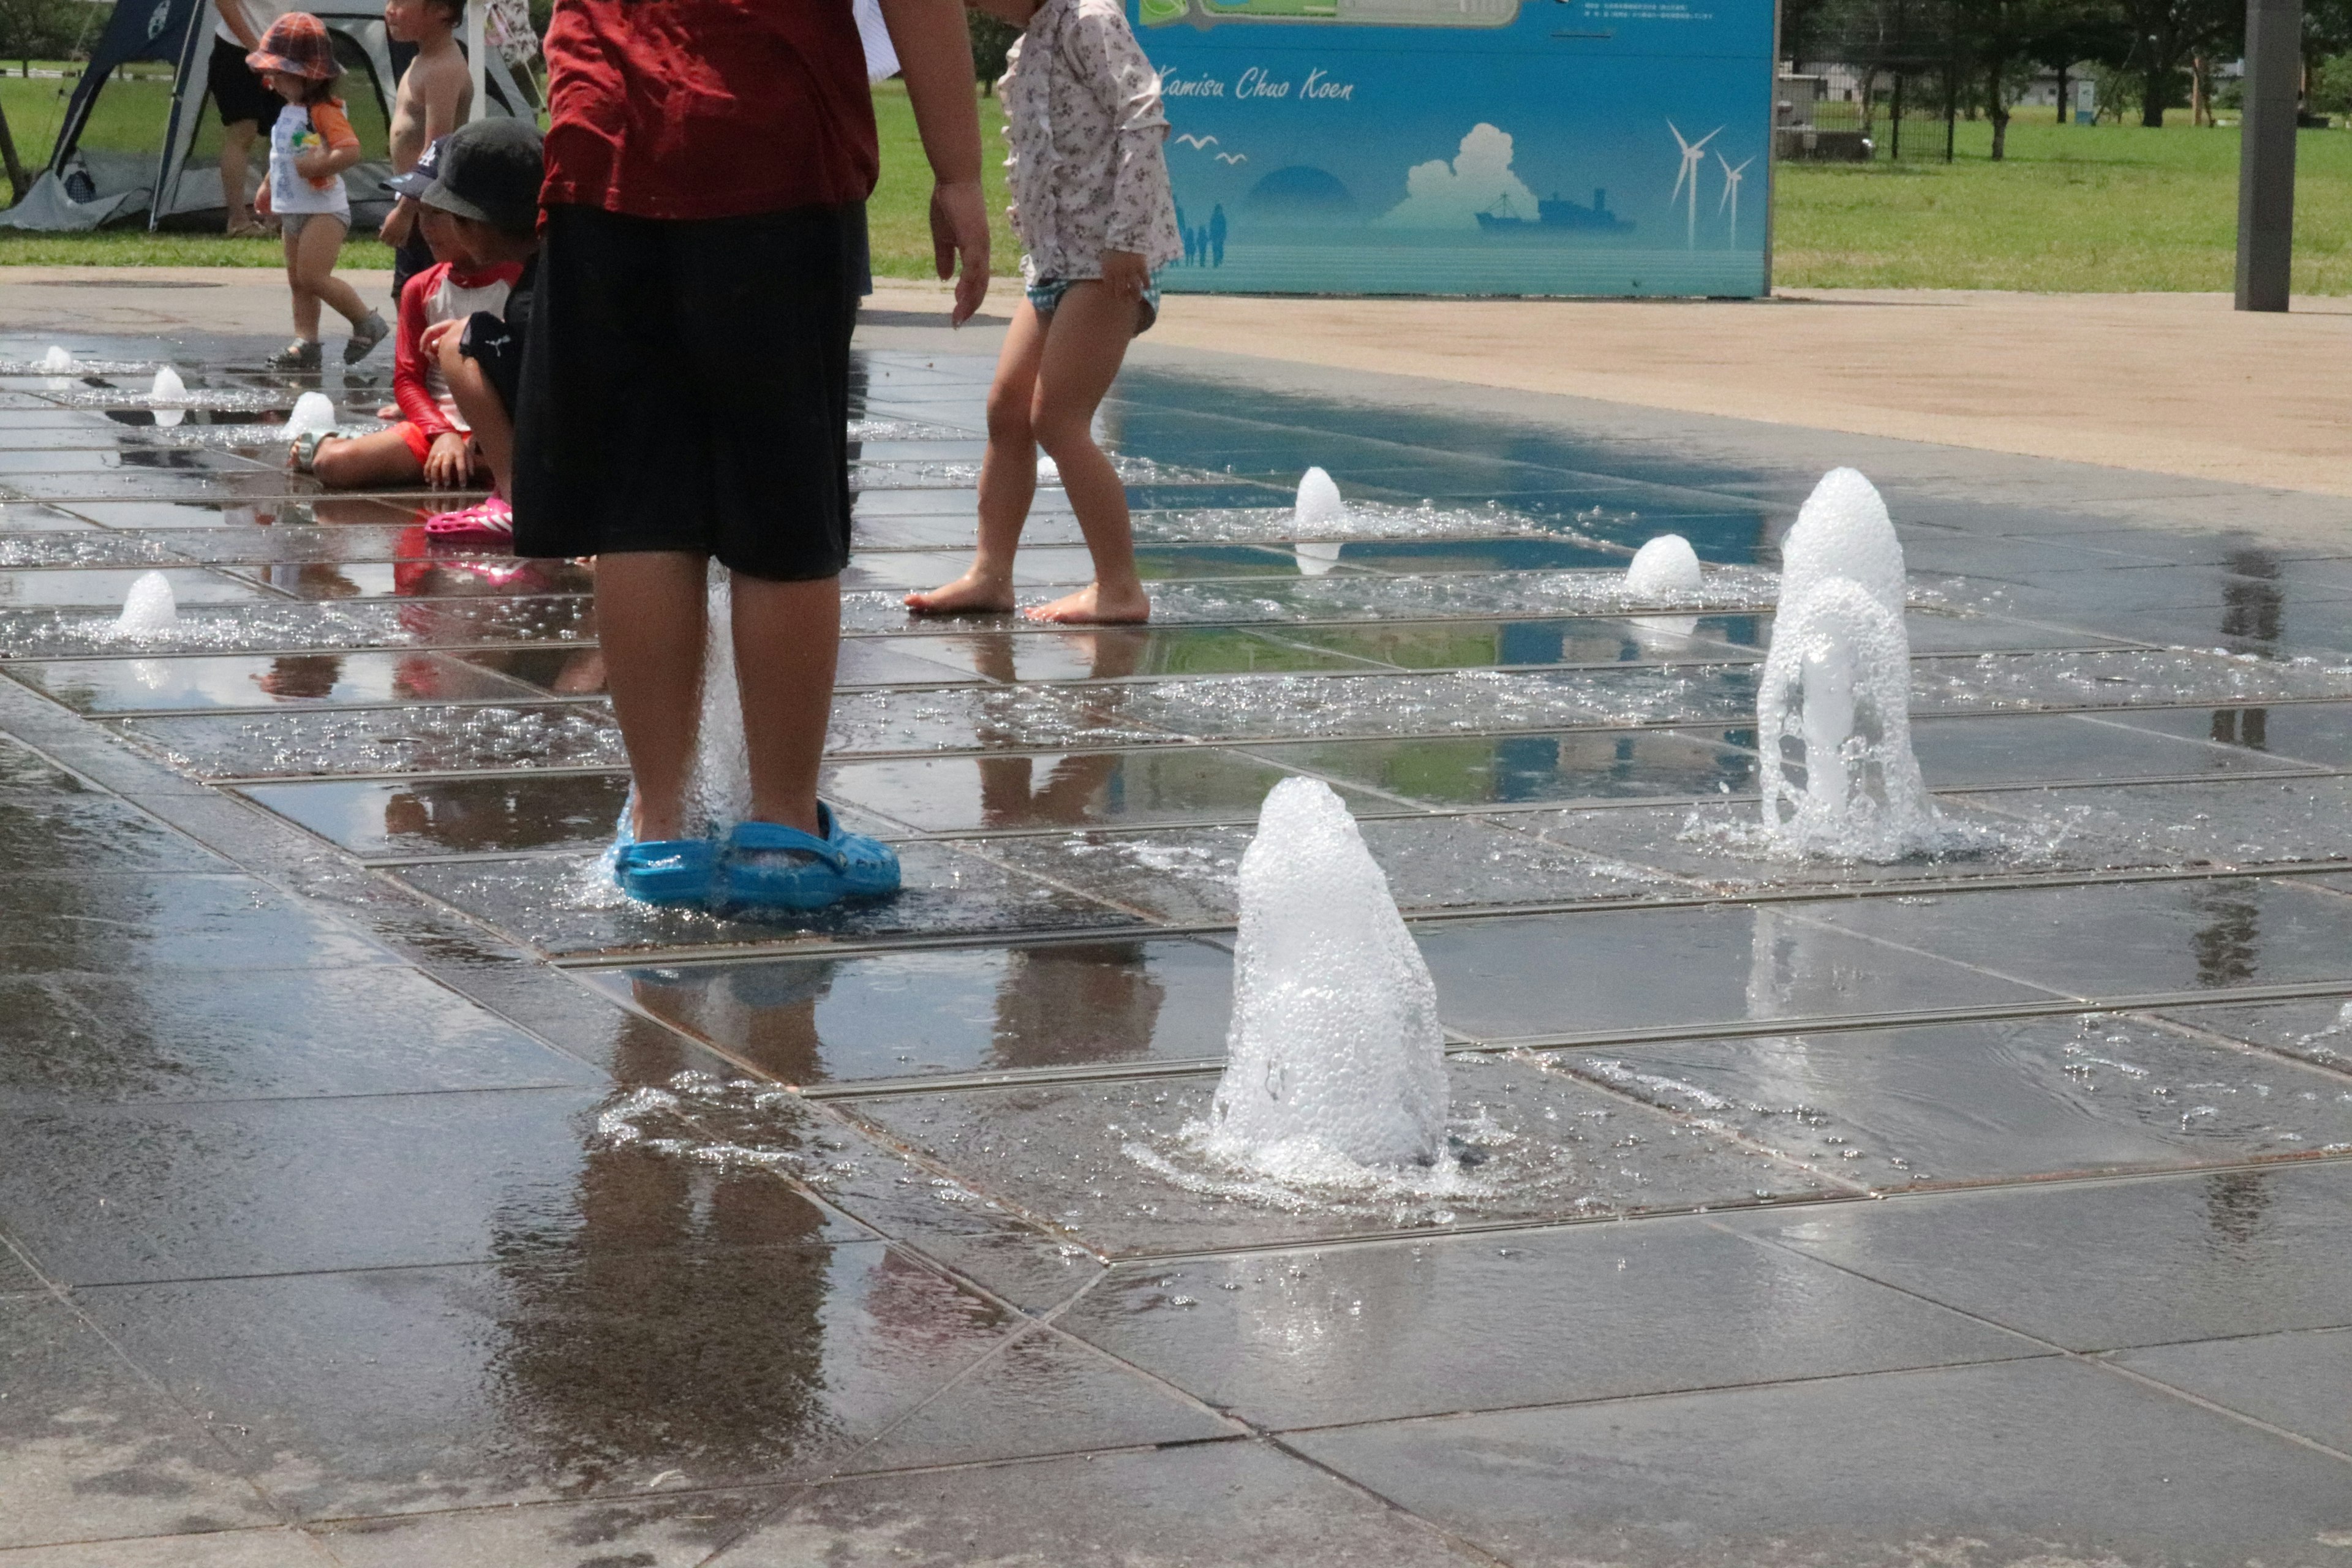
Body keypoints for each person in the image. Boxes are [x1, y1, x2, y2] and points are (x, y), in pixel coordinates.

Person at [511, 0, 990, 912]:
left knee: (638, 505)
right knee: (784, 502)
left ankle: (664, 832)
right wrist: (957, 172)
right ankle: (782, 833)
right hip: (771, 135)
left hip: (608, 131)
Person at [903, 0, 1181, 627]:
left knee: (1058, 420)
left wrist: (1128, 237)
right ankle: (990, 574)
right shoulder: (1027, 48)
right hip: (1056, 266)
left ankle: (1120, 586)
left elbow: (1142, 119)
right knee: (1007, 410)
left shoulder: (1090, 18)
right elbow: (1034, 162)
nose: (975, 6)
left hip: (1109, 263)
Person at [295, 137, 521, 492]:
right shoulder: (421, 288)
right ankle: (323, 441)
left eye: (439, 215)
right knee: (334, 466)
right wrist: (441, 432)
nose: (426, 228)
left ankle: (475, 464)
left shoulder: (521, 282)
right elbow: (408, 379)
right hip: (440, 426)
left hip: (502, 427)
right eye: (421, 213)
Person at [408, 116, 546, 541]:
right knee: (466, 333)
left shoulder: (532, 292)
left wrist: (473, 334)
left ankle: (516, 500)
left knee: (457, 344)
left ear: (473, 225)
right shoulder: (557, 264)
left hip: (571, 443)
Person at [249, 14, 393, 372]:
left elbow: (350, 150)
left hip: (324, 210)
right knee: (298, 281)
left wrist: (319, 166)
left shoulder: (324, 112)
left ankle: (366, 322)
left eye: (281, 73)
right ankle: (305, 341)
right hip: (293, 209)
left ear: (309, 75)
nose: (273, 80)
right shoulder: (290, 111)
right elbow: (284, 157)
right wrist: (268, 185)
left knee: (314, 277)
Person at [379, 0, 473, 308]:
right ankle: (413, 354)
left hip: (430, 205)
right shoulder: (423, 59)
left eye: (400, 2)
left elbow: (436, 148)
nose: (390, 10)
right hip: (417, 198)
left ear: (442, 11)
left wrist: (406, 213)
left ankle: (427, 354)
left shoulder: (444, 68)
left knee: (421, 296)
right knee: (406, 293)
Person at [208, 0, 285, 236]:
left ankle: (278, 217)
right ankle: (238, 221)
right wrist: (255, 48)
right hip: (236, 50)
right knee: (243, 131)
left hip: (278, 51)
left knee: (284, 134)